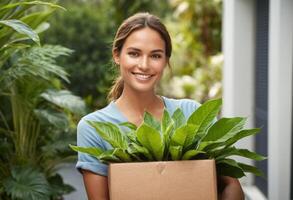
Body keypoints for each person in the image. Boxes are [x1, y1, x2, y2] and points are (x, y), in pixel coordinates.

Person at [76, 12, 244, 200]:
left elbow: (231, 186)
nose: (144, 65)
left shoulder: (191, 112)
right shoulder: (93, 128)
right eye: (134, 53)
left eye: (155, 56)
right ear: (117, 55)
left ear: (166, 61)